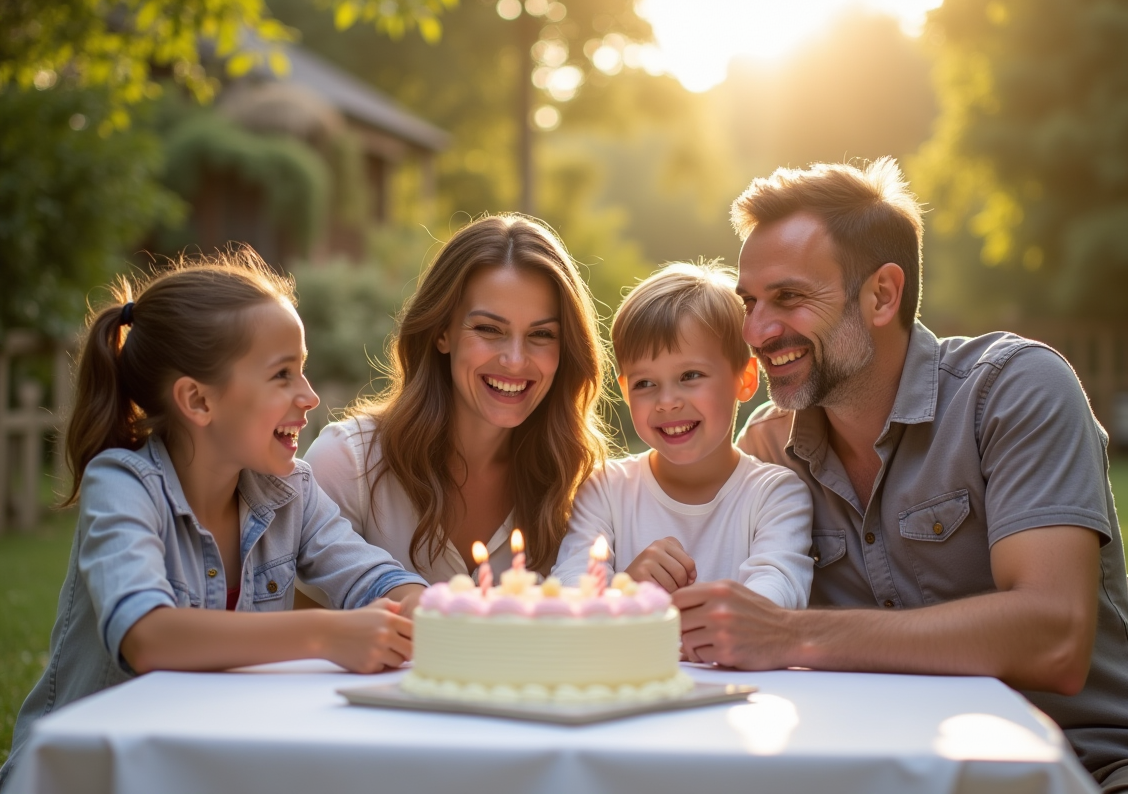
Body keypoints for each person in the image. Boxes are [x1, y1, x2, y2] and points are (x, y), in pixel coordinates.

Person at [674, 158, 1128, 793]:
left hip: (1093, 764)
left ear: (882, 295)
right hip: (880, 770)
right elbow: (720, 628)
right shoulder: (766, 445)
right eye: (749, 302)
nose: (756, 330)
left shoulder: (1014, 390)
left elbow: (1053, 641)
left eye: (788, 298)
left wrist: (790, 635)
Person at [0, 251, 428, 789]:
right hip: (96, 775)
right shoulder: (125, 486)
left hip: (204, 769)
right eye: (281, 375)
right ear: (198, 400)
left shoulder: (289, 491)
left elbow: (374, 578)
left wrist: (435, 610)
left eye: (303, 368)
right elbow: (147, 636)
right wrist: (325, 633)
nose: (310, 396)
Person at [300, 214, 608, 598]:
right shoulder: (346, 465)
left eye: (542, 334)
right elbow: (297, 637)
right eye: (488, 329)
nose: (514, 359)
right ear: (442, 332)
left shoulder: (582, 485)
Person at [554, 262, 812, 610]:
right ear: (627, 393)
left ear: (745, 380)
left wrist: (718, 619)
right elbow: (568, 598)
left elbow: (778, 591)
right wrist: (625, 589)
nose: (667, 402)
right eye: (645, 383)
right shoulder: (604, 491)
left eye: (690, 375)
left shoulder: (776, 496)